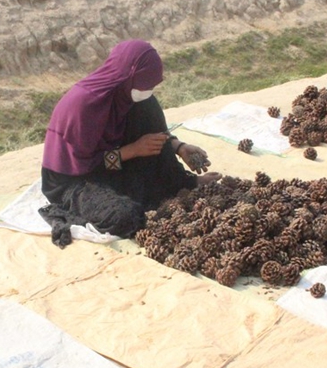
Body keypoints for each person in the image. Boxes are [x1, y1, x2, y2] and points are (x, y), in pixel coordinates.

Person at [39, 39, 222, 247]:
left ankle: (183, 182)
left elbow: (155, 132)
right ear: (127, 77)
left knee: (147, 108)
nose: (149, 90)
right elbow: (84, 166)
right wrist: (132, 151)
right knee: (124, 217)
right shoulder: (82, 106)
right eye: (145, 84)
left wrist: (179, 147)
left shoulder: (131, 96)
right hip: (73, 179)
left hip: (113, 162)